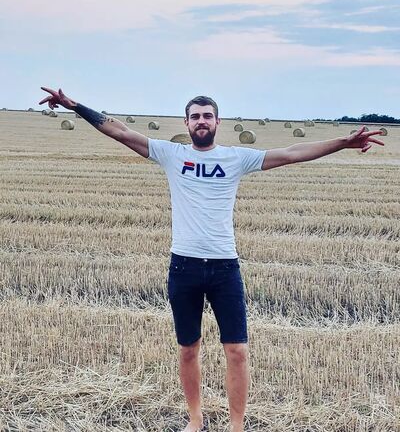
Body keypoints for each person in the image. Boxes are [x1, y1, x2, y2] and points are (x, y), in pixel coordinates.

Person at [39, 87, 384, 432]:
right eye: (195, 117)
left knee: (237, 351)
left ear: (218, 122)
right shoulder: (171, 154)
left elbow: (292, 152)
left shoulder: (236, 158)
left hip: (224, 268)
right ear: (186, 124)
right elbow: (120, 131)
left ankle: (236, 426)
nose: (201, 121)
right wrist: (73, 105)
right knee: (188, 349)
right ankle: (195, 419)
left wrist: (342, 142)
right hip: (183, 267)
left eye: (207, 116)